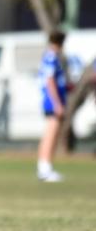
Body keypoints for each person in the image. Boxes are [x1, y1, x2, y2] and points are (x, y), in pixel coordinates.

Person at [36, 31, 67, 182]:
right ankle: (44, 169)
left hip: (52, 101)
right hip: (51, 102)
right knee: (50, 134)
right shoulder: (51, 57)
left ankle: (45, 167)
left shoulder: (51, 57)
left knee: (51, 134)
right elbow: (49, 81)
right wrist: (57, 103)